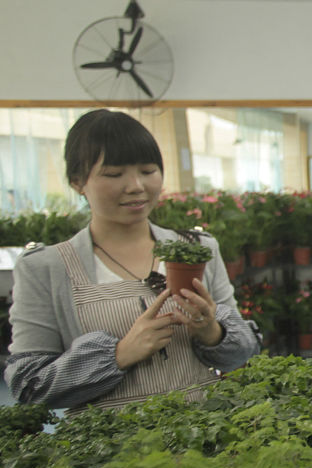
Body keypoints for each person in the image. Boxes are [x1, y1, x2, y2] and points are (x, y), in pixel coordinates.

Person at [4, 109, 260, 412]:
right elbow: (29, 384)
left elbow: (242, 353)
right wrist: (119, 355)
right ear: (77, 182)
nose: (136, 186)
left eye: (148, 171)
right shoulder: (46, 268)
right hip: (110, 453)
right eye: (114, 174)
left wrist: (211, 332)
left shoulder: (197, 249)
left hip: (207, 439)